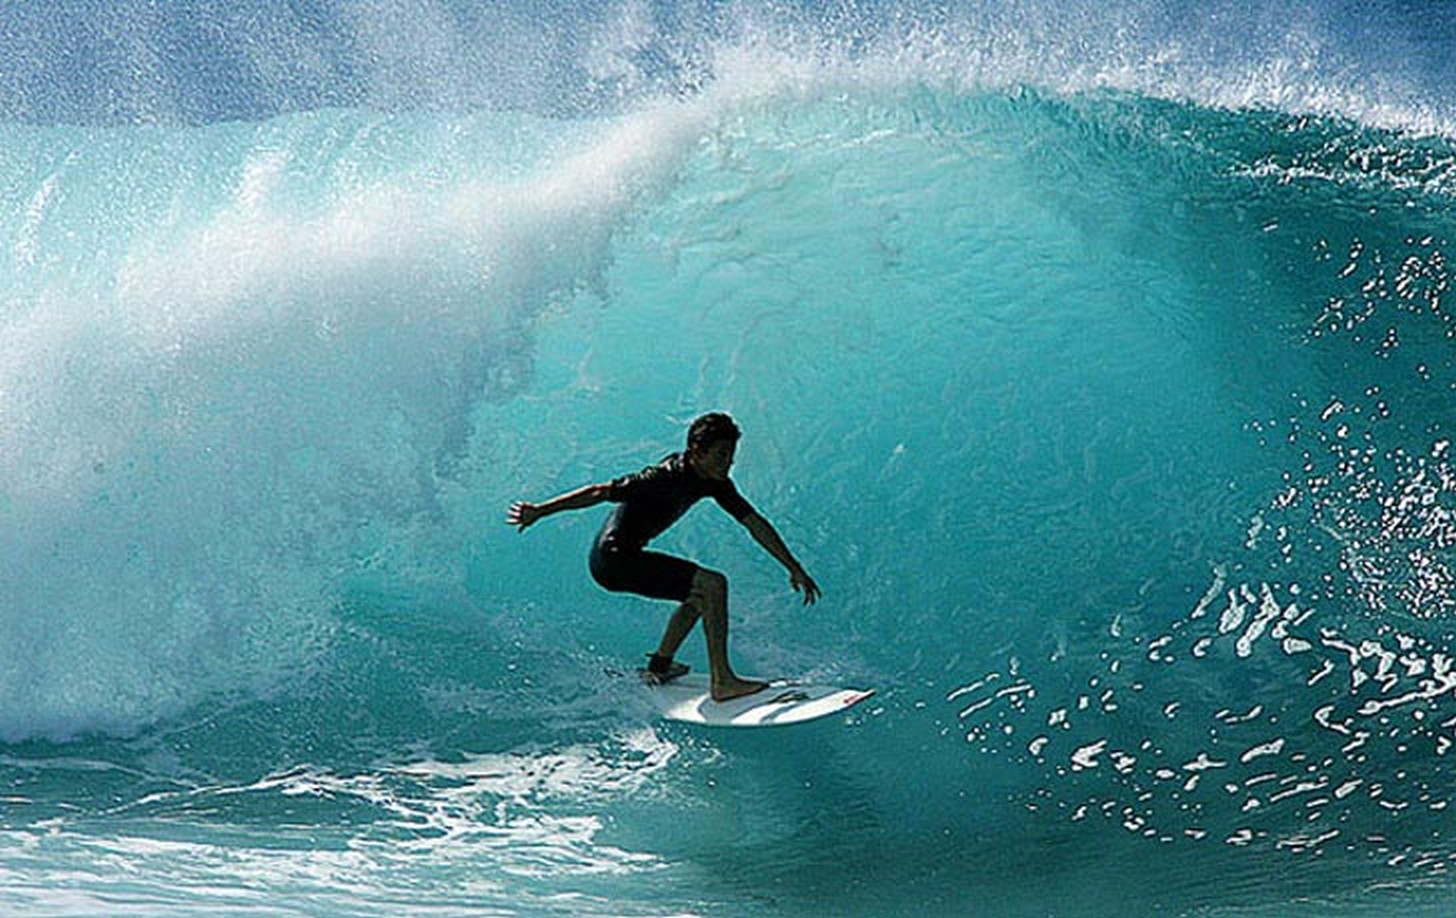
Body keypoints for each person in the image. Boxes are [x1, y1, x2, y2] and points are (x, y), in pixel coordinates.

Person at [507, 412, 820, 701]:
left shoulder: (713, 482)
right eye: (722, 455)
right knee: (713, 585)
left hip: (625, 556)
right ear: (697, 450)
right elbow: (599, 491)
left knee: (700, 596)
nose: (729, 464)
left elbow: (754, 522)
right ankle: (723, 681)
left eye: (731, 456)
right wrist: (540, 511)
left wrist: (793, 567)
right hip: (613, 560)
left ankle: (660, 666)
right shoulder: (663, 476)